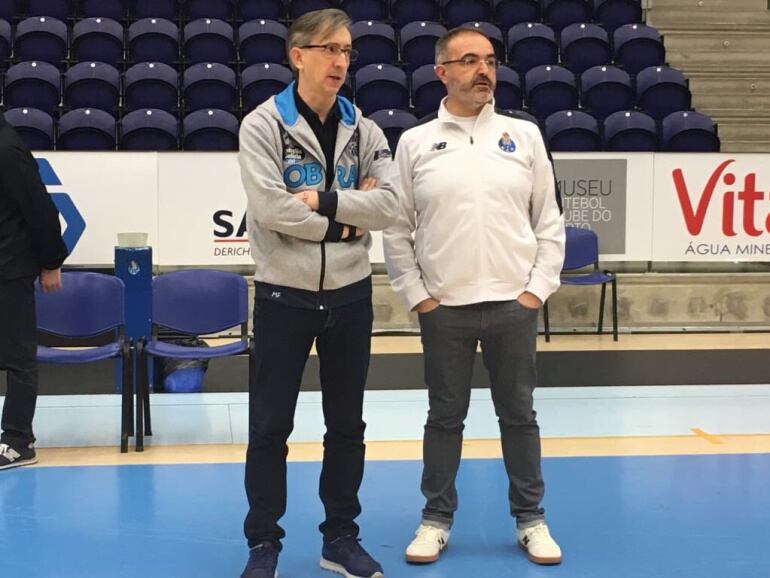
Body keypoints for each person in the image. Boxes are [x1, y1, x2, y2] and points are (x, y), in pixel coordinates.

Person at [383, 27, 566, 567]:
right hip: (445, 307)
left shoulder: (523, 136)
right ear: (442, 72)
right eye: (468, 61)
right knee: (445, 418)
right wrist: (418, 296)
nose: (483, 70)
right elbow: (396, 229)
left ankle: (530, 520)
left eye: (489, 60)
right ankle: (435, 520)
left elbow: (548, 221)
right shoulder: (415, 142)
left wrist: (536, 291)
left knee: (519, 416)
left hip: (514, 304)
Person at [238, 9, 398, 578]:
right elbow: (271, 210)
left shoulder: (367, 129)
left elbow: (391, 205)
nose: (340, 61)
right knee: (269, 427)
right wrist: (348, 219)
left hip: (352, 296)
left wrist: (324, 203)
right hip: (284, 296)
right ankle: (264, 543)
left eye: (348, 51)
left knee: (347, 425)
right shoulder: (261, 125)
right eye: (329, 49)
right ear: (297, 55)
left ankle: (340, 537)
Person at [0, 110, 67, 470]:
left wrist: (51, 262)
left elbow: (42, 210)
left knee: (19, 358)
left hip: (8, 271)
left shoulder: (7, 150)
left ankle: (17, 440)